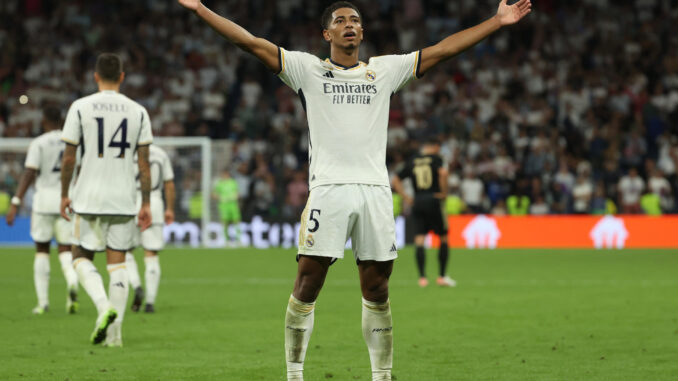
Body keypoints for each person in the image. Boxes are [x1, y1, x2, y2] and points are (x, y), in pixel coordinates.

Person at [179, 0, 531, 379]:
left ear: (362, 33)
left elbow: (444, 50)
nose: (350, 25)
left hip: (375, 192)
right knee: (308, 283)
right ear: (326, 34)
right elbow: (251, 43)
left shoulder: (385, 70)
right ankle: (294, 373)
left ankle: (382, 375)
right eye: (340, 20)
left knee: (377, 287)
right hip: (328, 190)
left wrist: (495, 22)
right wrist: (200, 9)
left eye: (356, 20)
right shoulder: (306, 69)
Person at [60, 53, 153, 347]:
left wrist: (64, 193)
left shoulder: (80, 107)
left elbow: (69, 157)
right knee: (118, 264)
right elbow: (144, 165)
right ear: (122, 77)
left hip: (88, 196)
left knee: (79, 257)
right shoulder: (139, 111)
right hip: (124, 198)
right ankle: (116, 337)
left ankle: (103, 307)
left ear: (95, 76)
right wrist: (147, 203)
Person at [5, 106, 79, 315]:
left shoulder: (38, 143)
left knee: (42, 250)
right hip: (67, 200)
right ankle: (72, 281)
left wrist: (16, 200)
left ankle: (43, 303)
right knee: (66, 249)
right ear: (62, 121)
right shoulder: (71, 142)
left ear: (44, 120)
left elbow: (30, 172)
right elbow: (80, 170)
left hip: (44, 202)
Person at [391, 138, 456, 288]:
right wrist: (444, 193)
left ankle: (422, 278)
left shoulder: (413, 160)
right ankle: (442, 276)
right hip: (434, 199)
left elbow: (395, 180)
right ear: (435, 147)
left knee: (420, 239)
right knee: (443, 237)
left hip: (418, 200)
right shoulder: (437, 159)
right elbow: (443, 174)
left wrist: (406, 197)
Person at [125, 144, 176, 313]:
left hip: (130, 204)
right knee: (151, 254)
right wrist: (169, 208)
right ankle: (150, 303)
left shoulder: (127, 152)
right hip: (154, 205)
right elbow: (169, 184)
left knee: (125, 251)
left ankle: (137, 285)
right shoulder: (161, 153)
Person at [213, 169, 241, 246]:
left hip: (233, 205)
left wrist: (235, 196)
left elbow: (238, 193)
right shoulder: (220, 184)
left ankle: (239, 239)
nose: (224, 176)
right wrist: (220, 197)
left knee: (236, 221)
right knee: (225, 223)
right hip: (224, 206)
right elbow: (214, 194)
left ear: (228, 174)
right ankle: (226, 240)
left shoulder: (232, 182)